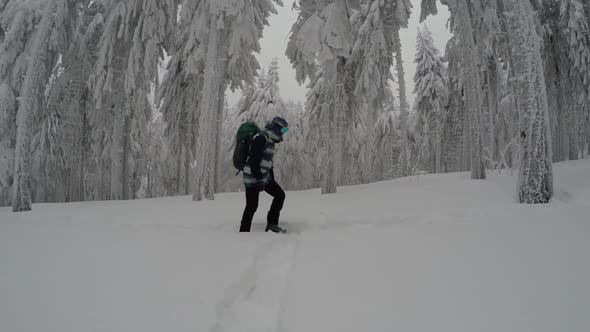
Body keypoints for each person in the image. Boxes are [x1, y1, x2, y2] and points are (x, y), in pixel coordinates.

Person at [240, 117, 288, 233]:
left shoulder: (270, 140)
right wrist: (258, 179)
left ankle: (272, 224)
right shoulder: (261, 137)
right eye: (283, 130)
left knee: (279, 195)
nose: (283, 133)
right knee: (252, 206)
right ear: (277, 127)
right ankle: (243, 232)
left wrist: (270, 179)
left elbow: (267, 163)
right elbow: (254, 159)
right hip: (253, 177)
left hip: (263, 178)